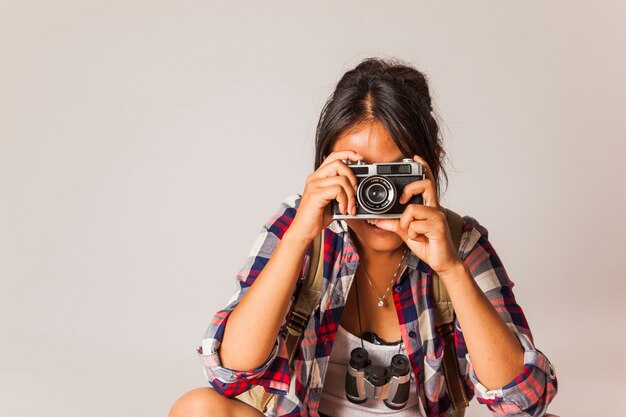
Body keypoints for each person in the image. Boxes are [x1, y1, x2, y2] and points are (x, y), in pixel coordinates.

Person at [168, 58, 559, 417]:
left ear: (430, 164)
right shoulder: (302, 228)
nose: (377, 193)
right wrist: (298, 237)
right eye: (358, 171)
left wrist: (451, 270)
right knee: (198, 408)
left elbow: (525, 403)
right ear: (325, 167)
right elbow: (229, 375)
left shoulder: (459, 243)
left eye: (393, 173)